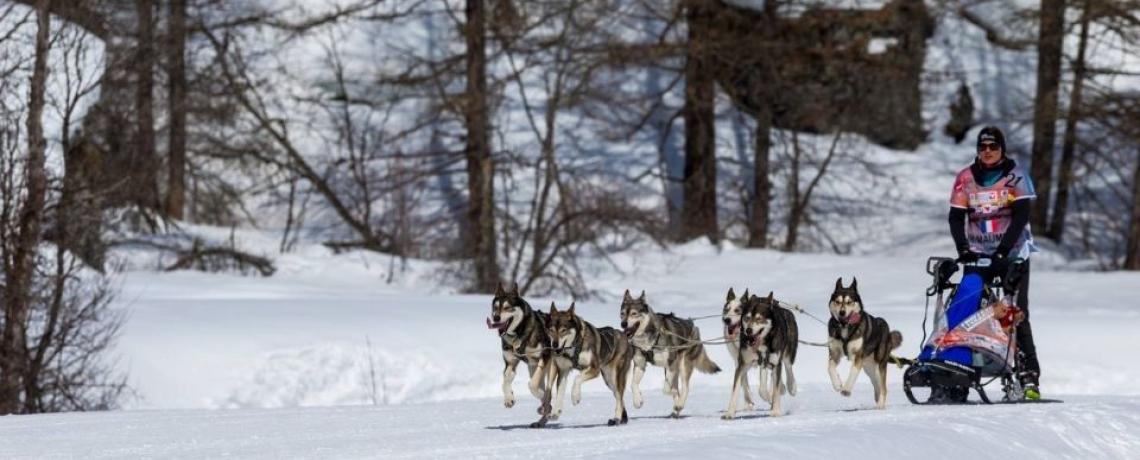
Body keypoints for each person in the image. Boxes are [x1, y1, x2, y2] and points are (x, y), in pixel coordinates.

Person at [946, 126, 1041, 400]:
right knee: (967, 309)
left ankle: (1028, 375)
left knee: (1016, 312)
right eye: (982, 147)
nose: (987, 152)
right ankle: (959, 371)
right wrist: (962, 248)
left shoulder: (1016, 175)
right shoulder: (965, 178)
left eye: (993, 147)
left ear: (1002, 149)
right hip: (978, 253)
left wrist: (1003, 251)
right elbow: (955, 216)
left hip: (1013, 253)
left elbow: (1022, 215)